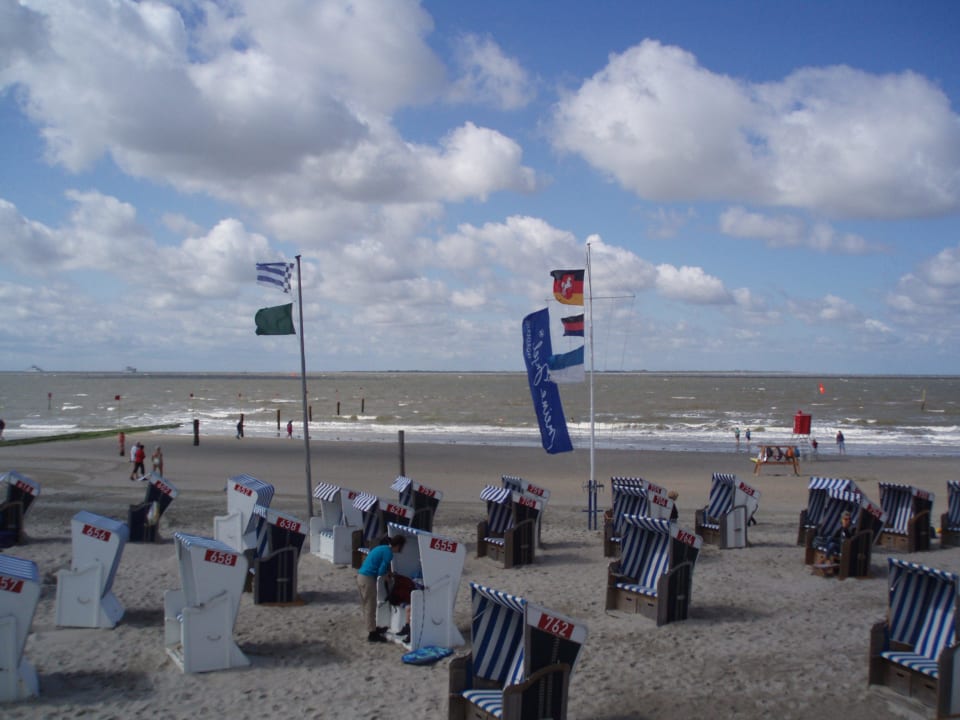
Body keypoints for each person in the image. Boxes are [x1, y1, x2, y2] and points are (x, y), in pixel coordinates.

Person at [356, 535, 406, 642]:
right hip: (368, 579)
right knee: (370, 606)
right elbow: (381, 571)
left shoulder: (382, 548)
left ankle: (371, 628)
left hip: (361, 576)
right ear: (398, 546)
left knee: (366, 605)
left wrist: (389, 574)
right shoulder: (389, 553)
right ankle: (372, 634)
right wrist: (387, 577)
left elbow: (378, 565)